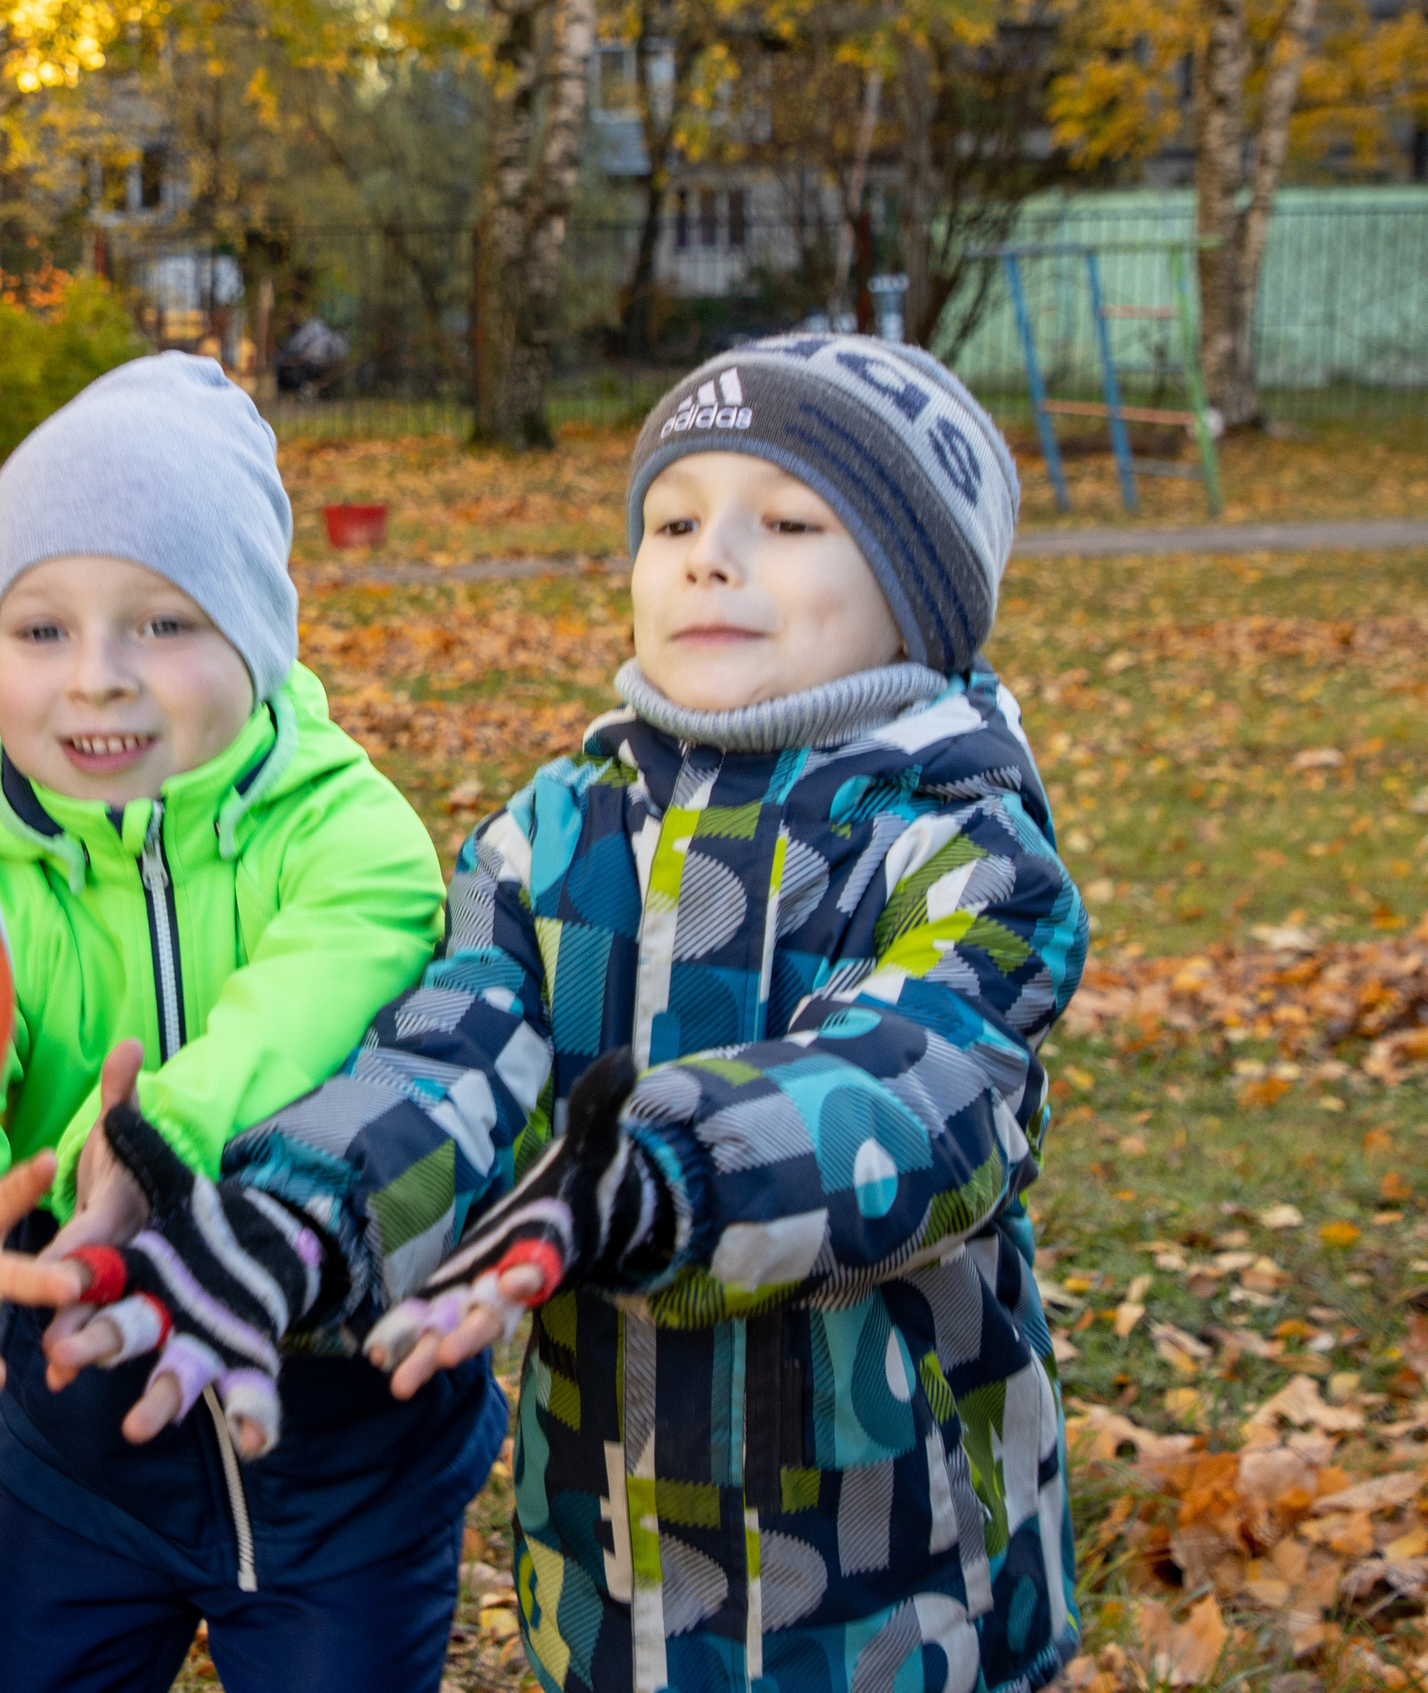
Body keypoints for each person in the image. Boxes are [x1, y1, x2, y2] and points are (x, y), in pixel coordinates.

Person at [54, 335, 1090, 1693]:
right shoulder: (552, 835)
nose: (710, 554)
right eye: (672, 518)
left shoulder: (960, 845)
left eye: (785, 520)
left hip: (899, 1587)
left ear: (920, 594)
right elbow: (447, 1064)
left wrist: (652, 1175)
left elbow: (918, 1094)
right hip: (610, 1575)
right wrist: (293, 1219)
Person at [0, 353, 506, 1692]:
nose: (96, 679)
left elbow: (295, 1014)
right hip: (78, 1465)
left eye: (163, 623)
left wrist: (151, 1141)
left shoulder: (358, 839)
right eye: (42, 628)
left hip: (341, 1463)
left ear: (258, 637)